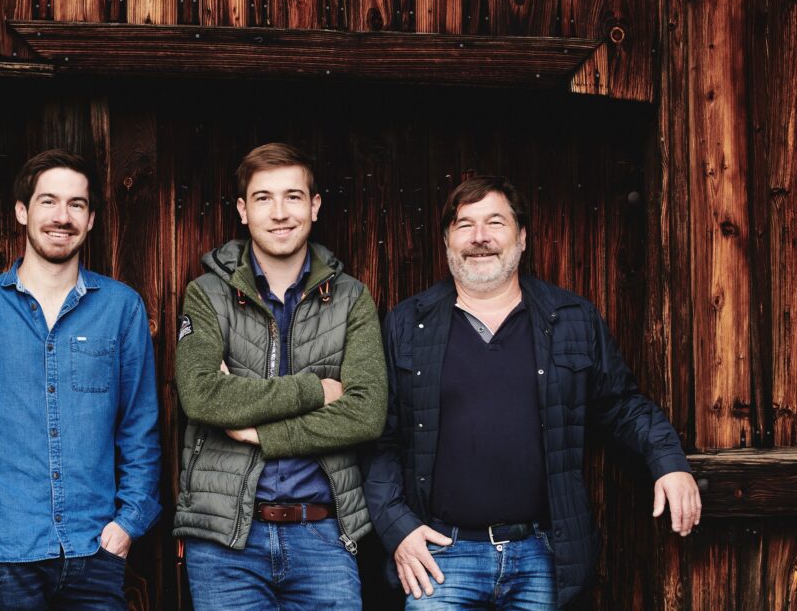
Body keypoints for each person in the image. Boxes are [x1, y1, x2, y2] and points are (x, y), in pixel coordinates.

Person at [364, 175, 701, 609]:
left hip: (540, 557)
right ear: (447, 240)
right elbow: (380, 439)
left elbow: (622, 406)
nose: (480, 238)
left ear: (521, 238)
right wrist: (398, 529)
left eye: (495, 223)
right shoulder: (408, 323)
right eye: (464, 225)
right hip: (440, 560)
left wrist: (670, 463)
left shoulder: (571, 318)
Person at [0, 149, 161, 610]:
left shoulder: (122, 308)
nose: (62, 216)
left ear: (90, 220)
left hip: (96, 550)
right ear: (21, 211)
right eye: (48, 201)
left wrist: (130, 521)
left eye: (76, 205)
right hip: (4, 553)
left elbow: (140, 427)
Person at [173, 142, 387, 609]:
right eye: (263, 198)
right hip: (225, 538)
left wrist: (257, 432)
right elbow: (203, 396)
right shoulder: (207, 294)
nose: (280, 212)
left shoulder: (352, 298)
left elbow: (367, 413)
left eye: (293, 196)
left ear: (314, 206)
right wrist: (317, 390)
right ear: (243, 210)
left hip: (324, 535)